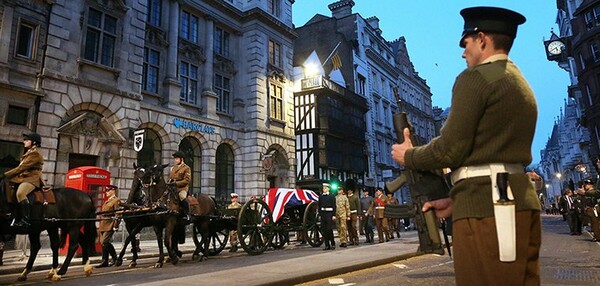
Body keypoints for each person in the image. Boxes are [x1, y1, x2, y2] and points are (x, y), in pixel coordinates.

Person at [390, 7, 541, 285]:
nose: (463, 53)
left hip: (489, 209)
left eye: (466, 43)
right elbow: (489, 151)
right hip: (513, 200)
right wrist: (458, 199)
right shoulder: (516, 80)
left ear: (482, 39)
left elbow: (450, 148)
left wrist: (408, 155)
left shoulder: (476, 78)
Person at [1, 133, 44, 230]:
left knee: (20, 193)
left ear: (34, 142)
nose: (24, 141)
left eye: (27, 140)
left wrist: (5, 174)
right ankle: (12, 213)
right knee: (6, 185)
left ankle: (26, 220)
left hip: (32, 178)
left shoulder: (35, 153)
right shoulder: (29, 152)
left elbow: (21, 168)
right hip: (24, 177)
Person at [97, 185, 121, 268]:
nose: (106, 192)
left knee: (105, 242)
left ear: (113, 191)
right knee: (103, 243)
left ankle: (115, 258)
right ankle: (105, 261)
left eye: (108, 191)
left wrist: (116, 225)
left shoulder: (116, 200)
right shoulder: (107, 201)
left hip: (110, 224)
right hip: (103, 223)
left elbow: (118, 213)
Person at [168, 151, 192, 221]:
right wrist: (169, 182)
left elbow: (187, 180)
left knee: (182, 197)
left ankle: (187, 214)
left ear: (181, 159)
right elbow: (170, 178)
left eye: (177, 159)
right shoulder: (172, 168)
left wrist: (176, 183)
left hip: (182, 188)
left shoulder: (186, 168)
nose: (175, 160)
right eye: (175, 159)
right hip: (172, 188)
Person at [318, 183, 336, 250]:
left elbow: (334, 206)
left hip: (329, 214)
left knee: (329, 229)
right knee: (324, 230)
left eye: (325, 188)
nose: (324, 189)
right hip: (323, 213)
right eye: (323, 188)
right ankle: (327, 245)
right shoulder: (321, 196)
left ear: (328, 188)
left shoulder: (331, 196)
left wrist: (334, 215)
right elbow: (319, 206)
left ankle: (332, 243)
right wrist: (320, 214)